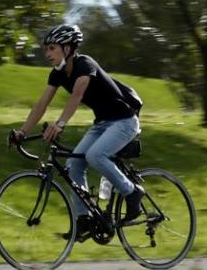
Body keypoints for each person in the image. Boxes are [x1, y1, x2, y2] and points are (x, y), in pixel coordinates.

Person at [11, 24, 145, 240]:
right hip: (103, 123)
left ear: (67, 48)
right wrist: (22, 132)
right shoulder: (58, 74)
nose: (47, 54)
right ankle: (84, 220)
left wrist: (60, 123)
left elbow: (77, 95)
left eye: (52, 48)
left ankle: (132, 192)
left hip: (124, 121)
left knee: (95, 155)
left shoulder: (85, 64)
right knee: (74, 164)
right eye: (47, 49)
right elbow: (41, 104)